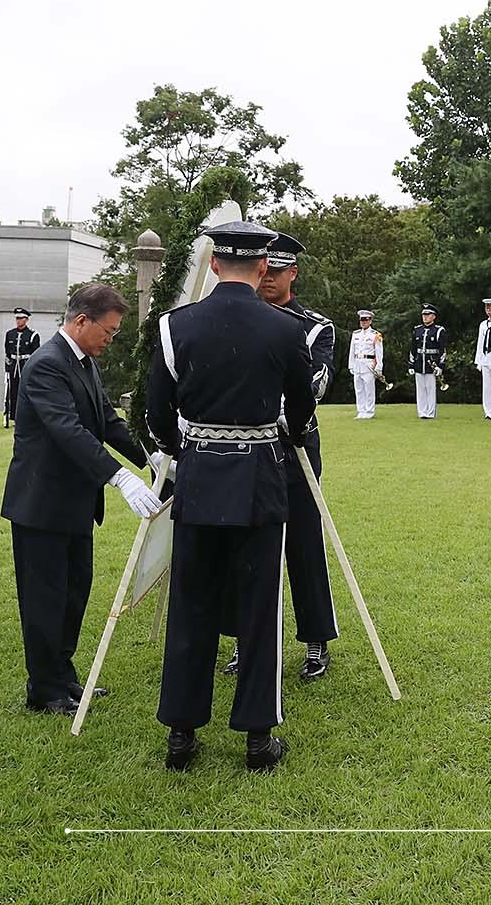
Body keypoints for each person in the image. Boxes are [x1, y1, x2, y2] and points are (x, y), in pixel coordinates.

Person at [146, 220, 315, 773]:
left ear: (215, 264)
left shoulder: (174, 326)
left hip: (198, 478)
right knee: (258, 607)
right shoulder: (286, 330)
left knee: (190, 604)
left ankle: (181, 734)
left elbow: (156, 418)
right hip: (261, 479)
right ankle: (258, 739)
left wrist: (190, 450)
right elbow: (300, 414)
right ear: (263, 266)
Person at [0, 283, 162, 715]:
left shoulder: (84, 362)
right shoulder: (46, 365)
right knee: (44, 599)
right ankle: (44, 689)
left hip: (74, 504)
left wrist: (152, 455)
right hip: (42, 505)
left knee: (74, 593)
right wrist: (120, 478)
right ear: (81, 321)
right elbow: (68, 431)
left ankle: (63, 675)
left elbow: (106, 421)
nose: (111, 339)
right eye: (108, 331)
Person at [221, 231, 339, 681]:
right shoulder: (235, 317)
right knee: (242, 547)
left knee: (305, 544)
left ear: (293, 273)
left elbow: (315, 385)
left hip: (293, 447)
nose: (268, 279)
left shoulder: (315, 327)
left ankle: (315, 640)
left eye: (278, 271)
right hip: (245, 449)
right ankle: (242, 640)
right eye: (263, 269)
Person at [408, 303, 447, 419]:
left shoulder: (439, 330)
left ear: (434, 316)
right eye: (424, 314)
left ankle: (430, 413)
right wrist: (411, 364)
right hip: (420, 362)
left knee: (430, 389)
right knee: (420, 390)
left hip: (432, 363)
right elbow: (413, 349)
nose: (425, 317)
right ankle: (422, 412)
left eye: (428, 314)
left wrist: (440, 366)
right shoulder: (417, 330)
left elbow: (442, 350)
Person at [3, 307, 41, 428]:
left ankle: (26, 418)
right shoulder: (10, 334)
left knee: (25, 393)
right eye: (17, 318)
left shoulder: (33, 335)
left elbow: (35, 354)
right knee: (13, 394)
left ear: (26, 319)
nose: (19, 321)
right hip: (14, 367)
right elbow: (7, 353)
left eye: (21, 318)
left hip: (25, 366)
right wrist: (7, 369)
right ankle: (13, 418)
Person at [348, 310, 382, 419]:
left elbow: (379, 352)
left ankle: (369, 411)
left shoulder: (375, 335)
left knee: (369, 389)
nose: (363, 322)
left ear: (370, 321)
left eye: (365, 320)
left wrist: (379, 367)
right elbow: (352, 351)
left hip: (369, 364)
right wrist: (351, 365)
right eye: (361, 320)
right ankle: (361, 410)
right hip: (358, 363)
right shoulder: (356, 334)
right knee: (359, 389)